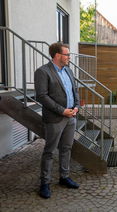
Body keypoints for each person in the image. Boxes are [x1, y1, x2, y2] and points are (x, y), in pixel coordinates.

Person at [34, 42, 80, 199]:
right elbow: (41, 96)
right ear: (57, 55)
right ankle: (44, 183)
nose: (69, 57)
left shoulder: (68, 70)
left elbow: (74, 90)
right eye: (67, 54)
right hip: (55, 118)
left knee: (66, 148)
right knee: (49, 151)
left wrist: (76, 106)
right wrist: (62, 111)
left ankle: (64, 177)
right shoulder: (42, 72)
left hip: (71, 117)